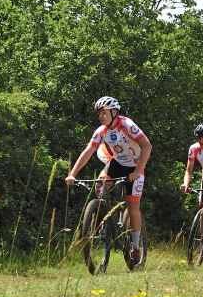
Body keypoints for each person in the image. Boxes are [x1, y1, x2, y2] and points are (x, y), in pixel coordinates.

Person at [65, 96, 152, 266]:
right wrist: (72, 174)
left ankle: (135, 247)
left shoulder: (127, 124)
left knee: (132, 205)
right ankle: (104, 216)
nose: (100, 116)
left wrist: (137, 170)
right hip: (117, 163)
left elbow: (147, 146)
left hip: (135, 166)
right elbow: (88, 151)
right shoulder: (101, 131)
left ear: (114, 112)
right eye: (99, 114)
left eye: (103, 113)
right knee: (99, 186)